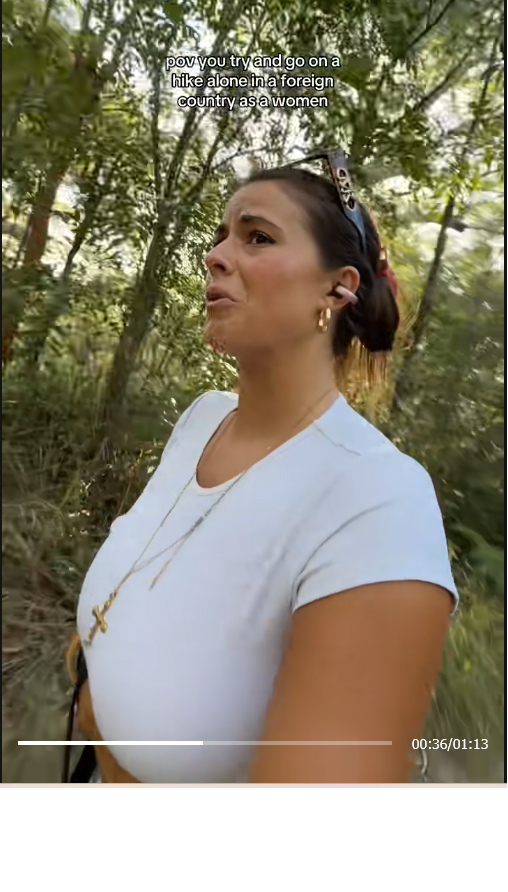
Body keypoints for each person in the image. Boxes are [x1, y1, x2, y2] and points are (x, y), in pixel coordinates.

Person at [71, 163, 458, 784]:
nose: (215, 255)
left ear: (337, 289)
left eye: (257, 237)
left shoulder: (380, 499)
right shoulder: (202, 418)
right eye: (221, 235)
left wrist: (112, 750)